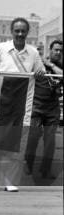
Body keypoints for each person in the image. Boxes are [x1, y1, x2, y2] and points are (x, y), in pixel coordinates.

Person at [0, 17, 45, 192]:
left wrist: (40, 72)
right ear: (11, 32)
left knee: (18, 146)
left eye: (23, 31)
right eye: (17, 30)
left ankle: (10, 181)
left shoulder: (33, 53)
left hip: (22, 105)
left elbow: (41, 71)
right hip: (0, 103)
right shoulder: (0, 48)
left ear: (27, 32)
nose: (20, 34)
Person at [24, 39, 62, 181]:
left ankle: (45, 169)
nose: (58, 52)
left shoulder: (58, 66)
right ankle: (28, 163)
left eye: (60, 50)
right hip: (37, 106)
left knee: (50, 140)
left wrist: (50, 65)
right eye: (56, 50)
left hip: (52, 109)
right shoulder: (38, 62)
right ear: (50, 50)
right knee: (33, 136)